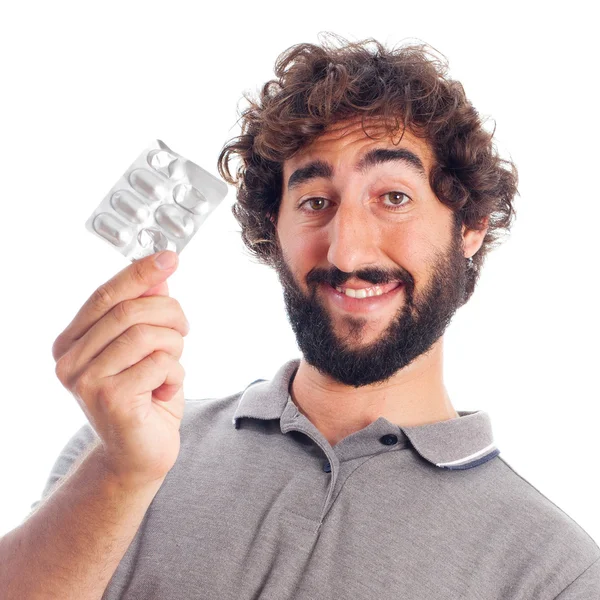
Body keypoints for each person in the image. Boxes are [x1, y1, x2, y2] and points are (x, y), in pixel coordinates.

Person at [2, 33, 598, 599]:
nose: (346, 253)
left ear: (468, 229)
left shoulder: (554, 571)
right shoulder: (124, 446)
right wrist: (120, 471)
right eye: (315, 202)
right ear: (274, 232)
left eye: (394, 197)